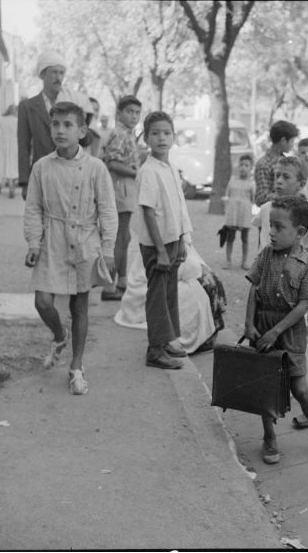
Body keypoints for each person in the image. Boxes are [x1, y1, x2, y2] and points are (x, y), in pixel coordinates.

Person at [23, 101, 117, 395]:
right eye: (55, 124)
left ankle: (76, 366)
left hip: (85, 241)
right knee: (43, 302)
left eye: (67, 125)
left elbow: (108, 211)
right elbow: (33, 208)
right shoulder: (42, 166)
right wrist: (34, 242)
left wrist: (109, 248)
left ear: (81, 131)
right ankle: (58, 334)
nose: (60, 130)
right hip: (52, 240)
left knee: (79, 306)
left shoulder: (96, 168)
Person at [244, 195, 308, 464]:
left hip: (289, 332)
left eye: (278, 227)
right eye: (269, 226)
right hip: (263, 325)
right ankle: (269, 437)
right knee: (265, 385)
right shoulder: (265, 255)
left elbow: (302, 306)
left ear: (299, 233)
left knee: (299, 388)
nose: (271, 232)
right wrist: (249, 323)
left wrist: (275, 332)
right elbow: (254, 287)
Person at [132, 110, 193, 369]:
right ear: (146, 138)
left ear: (174, 137)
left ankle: (167, 339)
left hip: (172, 240)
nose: (161, 138)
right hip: (157, 245)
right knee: (157, 294)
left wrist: (181, 239)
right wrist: (161, 250)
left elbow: (178, 207)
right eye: (155, 133)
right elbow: (148, 211)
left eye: (166, 133)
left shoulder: (169, 168)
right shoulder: (148, 171)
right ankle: (155, 350)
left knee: (169, 292)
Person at [114, 239, 226, 354]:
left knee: (206, 281)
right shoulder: (167, 234)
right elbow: (185, 267)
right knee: (196, 289)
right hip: (145, 290)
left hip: (156, 279)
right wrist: (201, 270)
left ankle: (200, 333)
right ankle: (175, 339)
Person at [18, 50, 94, 200]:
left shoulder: (73, 102)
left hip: (72, 174)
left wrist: (82, 120)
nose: (58, 78)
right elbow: (23, 146)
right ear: (43, 75)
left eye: (61, 73)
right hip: (41, 175)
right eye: (54, 72)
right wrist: (25, 182)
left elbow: (87, 139)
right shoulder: (27, 107)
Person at [101, 95, 142, 301]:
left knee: (124, 237)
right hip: (120, 187)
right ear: (120, 114)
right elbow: (112, 163)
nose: (134, 116)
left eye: (137, 112)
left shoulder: (128, 133)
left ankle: (122, 280)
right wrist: (137, 173)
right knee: (119, 237)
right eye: (130, 112)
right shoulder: (119, 133)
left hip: (126, 187)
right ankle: (109, 285)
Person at [252, 156, 308, 252]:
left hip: (292, 267)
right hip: (263, 265)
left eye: (286, 177)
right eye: (277, 175)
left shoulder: (304, 214)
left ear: (301, 184)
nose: (279, 181)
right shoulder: (266, 208)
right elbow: (258, 224)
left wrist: (306, 252)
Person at [254, 120, 299, 207]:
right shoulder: (264, 164)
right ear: (283, 141)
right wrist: (287, 196)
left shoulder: (287, 161)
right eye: (292, 141)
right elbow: (261, 198)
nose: (293, 145)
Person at [223, 153, 255, 270]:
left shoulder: (251, 183)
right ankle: (228, 260)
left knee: (245, 238)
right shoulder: (232, 181)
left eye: (246, 165)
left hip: (244, 213)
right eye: (241, 165)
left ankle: (244, 261)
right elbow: (227, 195)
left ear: (251, 168)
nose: (243, 167)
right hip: (233, 213)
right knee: (230, 237)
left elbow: (253, 199)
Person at [0, 105, 19, 198]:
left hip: (3, 145)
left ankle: (0, 184)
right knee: (12, 165)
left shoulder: (1, 119)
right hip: (14, 145)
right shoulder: (17, 120)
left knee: (2, 164)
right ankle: (12, 186)